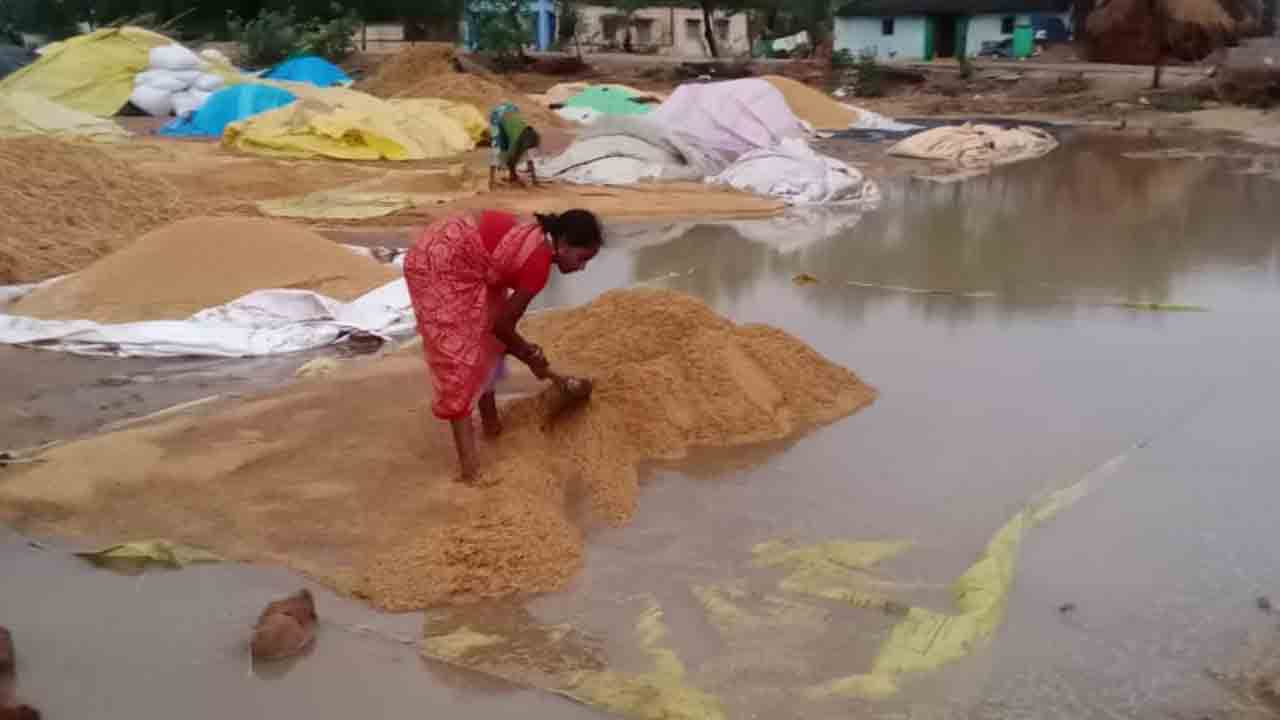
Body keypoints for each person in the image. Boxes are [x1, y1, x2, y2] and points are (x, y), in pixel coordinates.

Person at [404, 208, 604, 482]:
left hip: (462, 253)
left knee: (487, 343)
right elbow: (503, 327)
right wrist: (529, 354)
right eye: (582, 258)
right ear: (565, 244)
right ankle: (470, 473)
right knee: (457, 360)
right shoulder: (538, 265)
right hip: (439, 262)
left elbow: (497, 330)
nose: (582, 267)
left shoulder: (538, 237)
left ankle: (491, 425)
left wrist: (526, 352)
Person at [489, 102, 541, 190]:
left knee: (514, 153)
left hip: (512, 109)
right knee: (496, 149)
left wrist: (534, 179)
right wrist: (532, 179)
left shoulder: (529, 133)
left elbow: (528, 156)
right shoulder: (517, 141)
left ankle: (512, 176)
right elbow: (511, 159)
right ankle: (491, 181)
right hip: (497, 117)